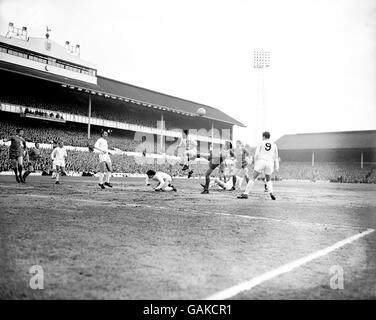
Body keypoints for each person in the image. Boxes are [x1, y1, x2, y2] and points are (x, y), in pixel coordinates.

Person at [237, 131, 279, 200]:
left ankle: (246, 193)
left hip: (261, 161)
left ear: (264, 136)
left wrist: (255, 163)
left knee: (253, 178)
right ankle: (271, 192)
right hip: (270, 163)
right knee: (268, 179)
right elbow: (276, 157)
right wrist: (277, 167)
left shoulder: (260, 143)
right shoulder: (274, 145)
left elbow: (256, 154)